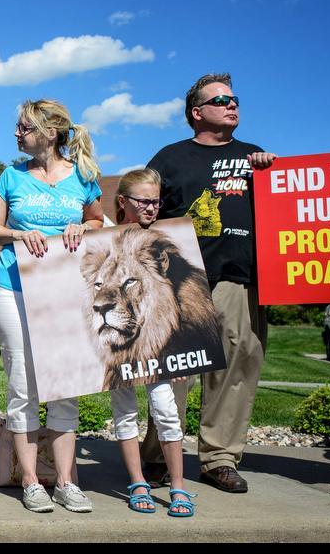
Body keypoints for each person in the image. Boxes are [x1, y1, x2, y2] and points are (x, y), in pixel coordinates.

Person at [140, 73, 276, 494]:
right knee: (175, 370)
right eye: (220, 100)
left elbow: (283, 214)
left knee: (237, 365)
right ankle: (161, 455)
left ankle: (219, 458)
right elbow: (139, 209)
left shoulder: (256, 158)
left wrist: (272, 173)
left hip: (241, 279)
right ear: (197, 113)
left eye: (235, 98)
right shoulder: (170, 158)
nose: (232, 104)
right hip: (185, 279)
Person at [0, 99, 104, 513]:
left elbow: (99, 222)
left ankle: (66, 481)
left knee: (65, 386)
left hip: (67, 292)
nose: (17, 134)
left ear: (50, 133)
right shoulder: (10, 176)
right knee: (24, 386)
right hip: (14, 290)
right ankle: (31, 480)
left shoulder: (83, 176)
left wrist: (81, 225)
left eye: (24, 128)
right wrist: (18, 235)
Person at [108, 167, 193, 517]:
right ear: (123, 201)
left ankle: (179, 486)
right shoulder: (102, 237)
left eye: (156, 201)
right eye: (143, 201)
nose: (151, 208)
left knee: (166, 412)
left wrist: (183, 353)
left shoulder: (169, 238)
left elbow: (182, 300)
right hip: (117, 345)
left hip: (158, 346)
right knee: (124, 413)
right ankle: (137, 481)